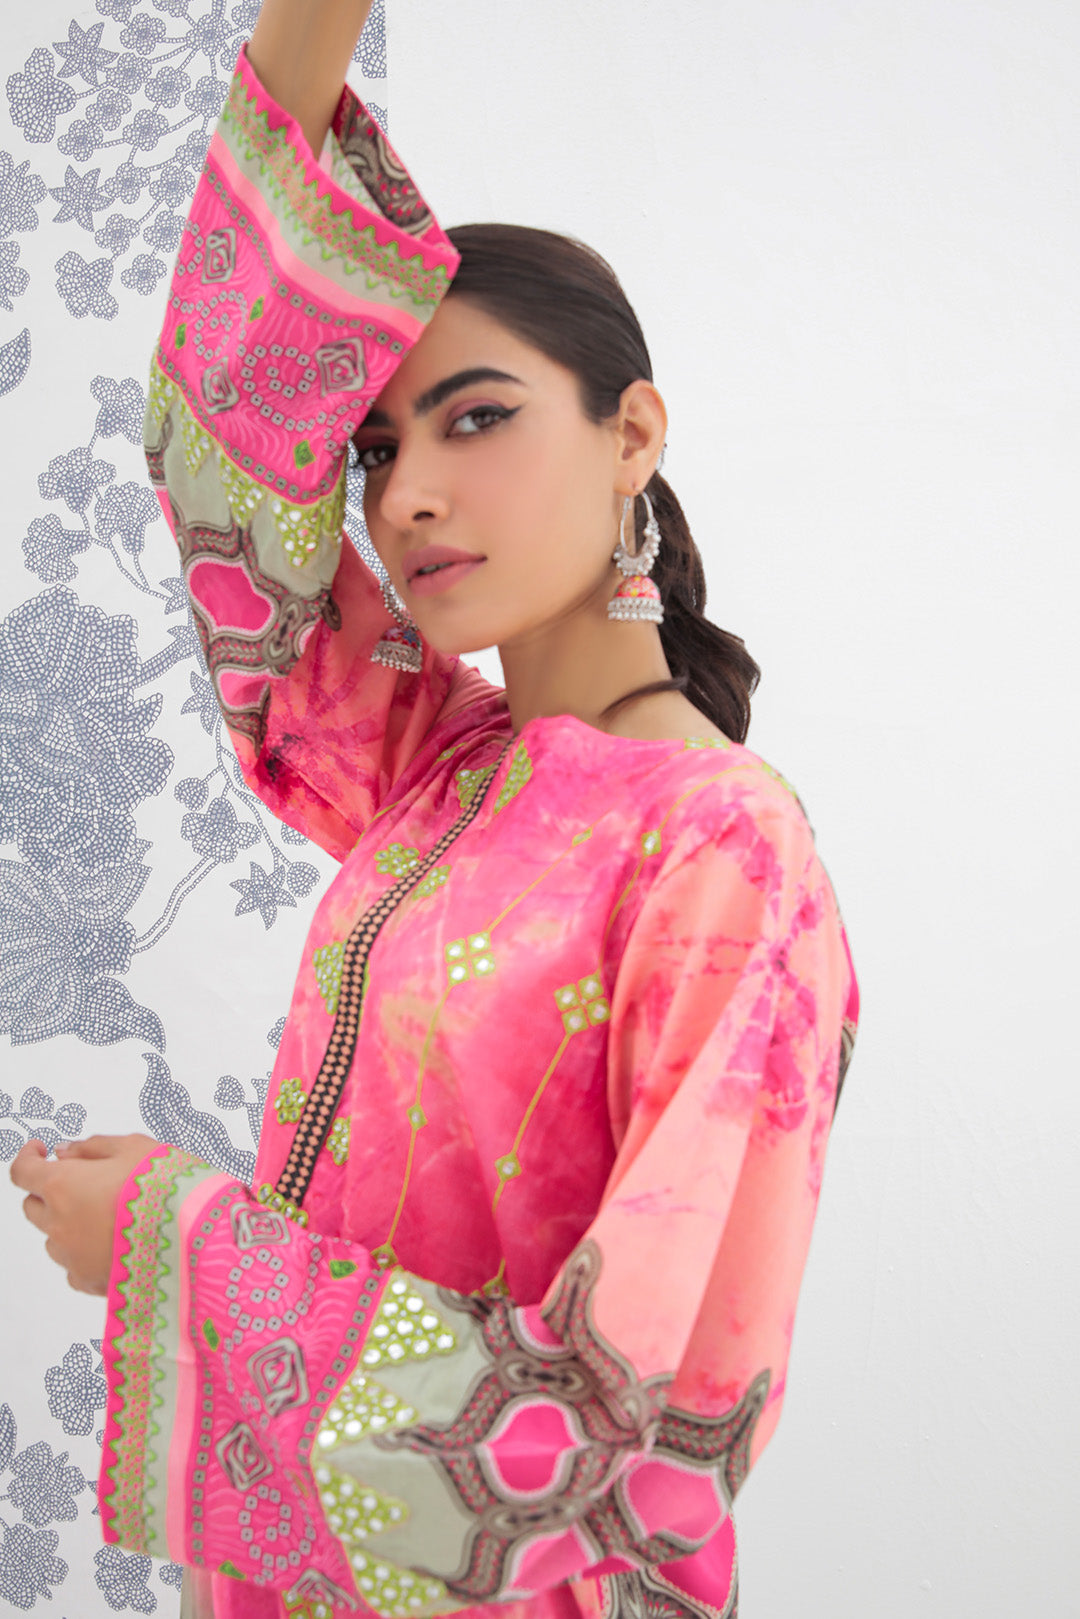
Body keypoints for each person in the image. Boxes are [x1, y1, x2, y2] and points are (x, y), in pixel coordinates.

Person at [11, 2, 859, 1616]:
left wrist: (177, 1246)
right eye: (377, 449)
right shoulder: (433, 770)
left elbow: (640, 1450)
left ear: (633, 432)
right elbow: (224, 471)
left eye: (477, 417)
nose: (403, 495)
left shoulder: (721, 848)